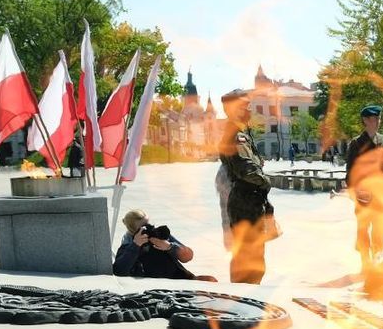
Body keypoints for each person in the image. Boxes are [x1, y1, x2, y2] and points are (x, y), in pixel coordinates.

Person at [217, 88, 277, 284]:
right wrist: (266, 180)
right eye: (245, 106)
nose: (249, 109)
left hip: (250, 203)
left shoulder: (242, 132)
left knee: (253, 260)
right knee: (248, 262)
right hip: (245, 204)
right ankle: (241, 304)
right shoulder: (236, 135)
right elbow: (247, 169)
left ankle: (244, 301)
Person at [345, 105, 383, 268]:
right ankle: (366, 262)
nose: (377, 122)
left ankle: (378, 263)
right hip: (364, 196)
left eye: (378, 119)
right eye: (373, 119)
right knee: (363, 229)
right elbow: (351, 172)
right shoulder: (356, 144)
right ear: (365, 121)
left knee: (381, 230)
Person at [113, 209, 215, 281]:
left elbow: (188, 256)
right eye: (145, 228)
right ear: (133, 232)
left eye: (151, 225)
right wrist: (135, 246)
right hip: (157, 289)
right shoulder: (128, 246)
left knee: (211, 281)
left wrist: (169, 247)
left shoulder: (159, 236)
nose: (150, 230)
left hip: (181, 280)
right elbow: (119, 271)